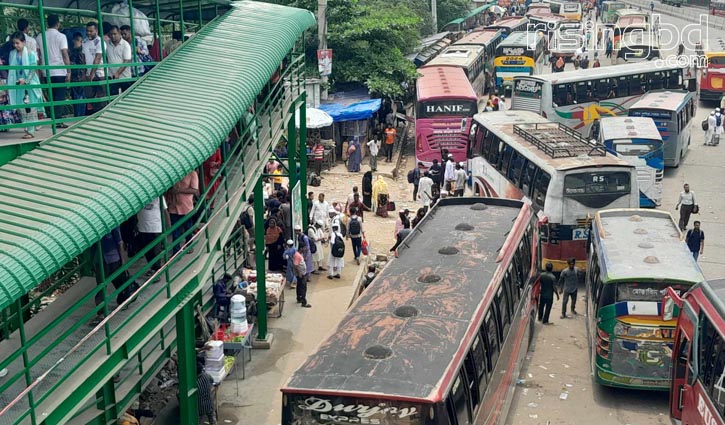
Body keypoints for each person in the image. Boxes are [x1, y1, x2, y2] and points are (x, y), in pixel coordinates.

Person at [7, 32, 44, 139]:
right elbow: (12, 70)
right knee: (21, 106)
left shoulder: (30, 54)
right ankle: (27, 127)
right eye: (14, 43)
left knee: (30, 107)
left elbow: (33, 69)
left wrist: (26, 80)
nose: (16, 46)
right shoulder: (12, 54)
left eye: (17, 43)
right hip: (17, 83)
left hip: (29, 84)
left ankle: (31, 131)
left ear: (23, 42)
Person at [37, 14, 70, 127]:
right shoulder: (61, 36)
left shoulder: (40, 36)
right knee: (59, 96)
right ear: (58, 23)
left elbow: (39, 55)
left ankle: (53, 119)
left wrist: (40, 69)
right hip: (59, 70)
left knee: (51, 96)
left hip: (47, 71)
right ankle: (58, 120)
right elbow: (64, 54)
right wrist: (69, 71)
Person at [167, 170, 199, 254]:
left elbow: (194, 190)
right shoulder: (173, 173)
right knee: (175, 230)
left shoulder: (192, 173)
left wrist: (179, 190)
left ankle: (189, 245)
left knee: (188, 227)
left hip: (186, 206)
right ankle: (176, 250)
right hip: (173, 205)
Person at [136, 197, 169, 279]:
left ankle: (157, 271)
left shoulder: (158, 196)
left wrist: (168, 224)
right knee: (147, 252)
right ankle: (152, 269)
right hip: (142, 228)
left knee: (156, 251)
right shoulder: (138, 197)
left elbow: (165, 211)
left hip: (155, 228)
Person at [83, 21, 107, 114]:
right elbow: (84, 58)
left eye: (91, 31)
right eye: (87, 31)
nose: (88, 33)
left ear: (96, 31)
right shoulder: (85, 42)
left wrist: (92, 73)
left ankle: (102, 114)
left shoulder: (100, 42)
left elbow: (98, 58)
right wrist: (85, 72)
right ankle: (96, 112)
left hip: (99, 73)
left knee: (101, 96)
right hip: (88, 73)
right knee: (89, 95)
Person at [106, 25, 132, 94]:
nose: (113, 36)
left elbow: (127, 61)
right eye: (111, 34)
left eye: (115, 34)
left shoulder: (125, 45)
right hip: (112, 77)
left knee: (126, 97)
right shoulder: (106, 44)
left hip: (125, 77)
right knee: (113, 98)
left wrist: (118, 73)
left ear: (119, 33)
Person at [68, 33, 86, 117]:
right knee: (77, 97)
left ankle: (79, 115)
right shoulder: (73, 51)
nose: (74, 42)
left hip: (79, 78)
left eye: (76, 40)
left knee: (79, 97)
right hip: (75, 78)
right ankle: (78, 114)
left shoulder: (80, 52)